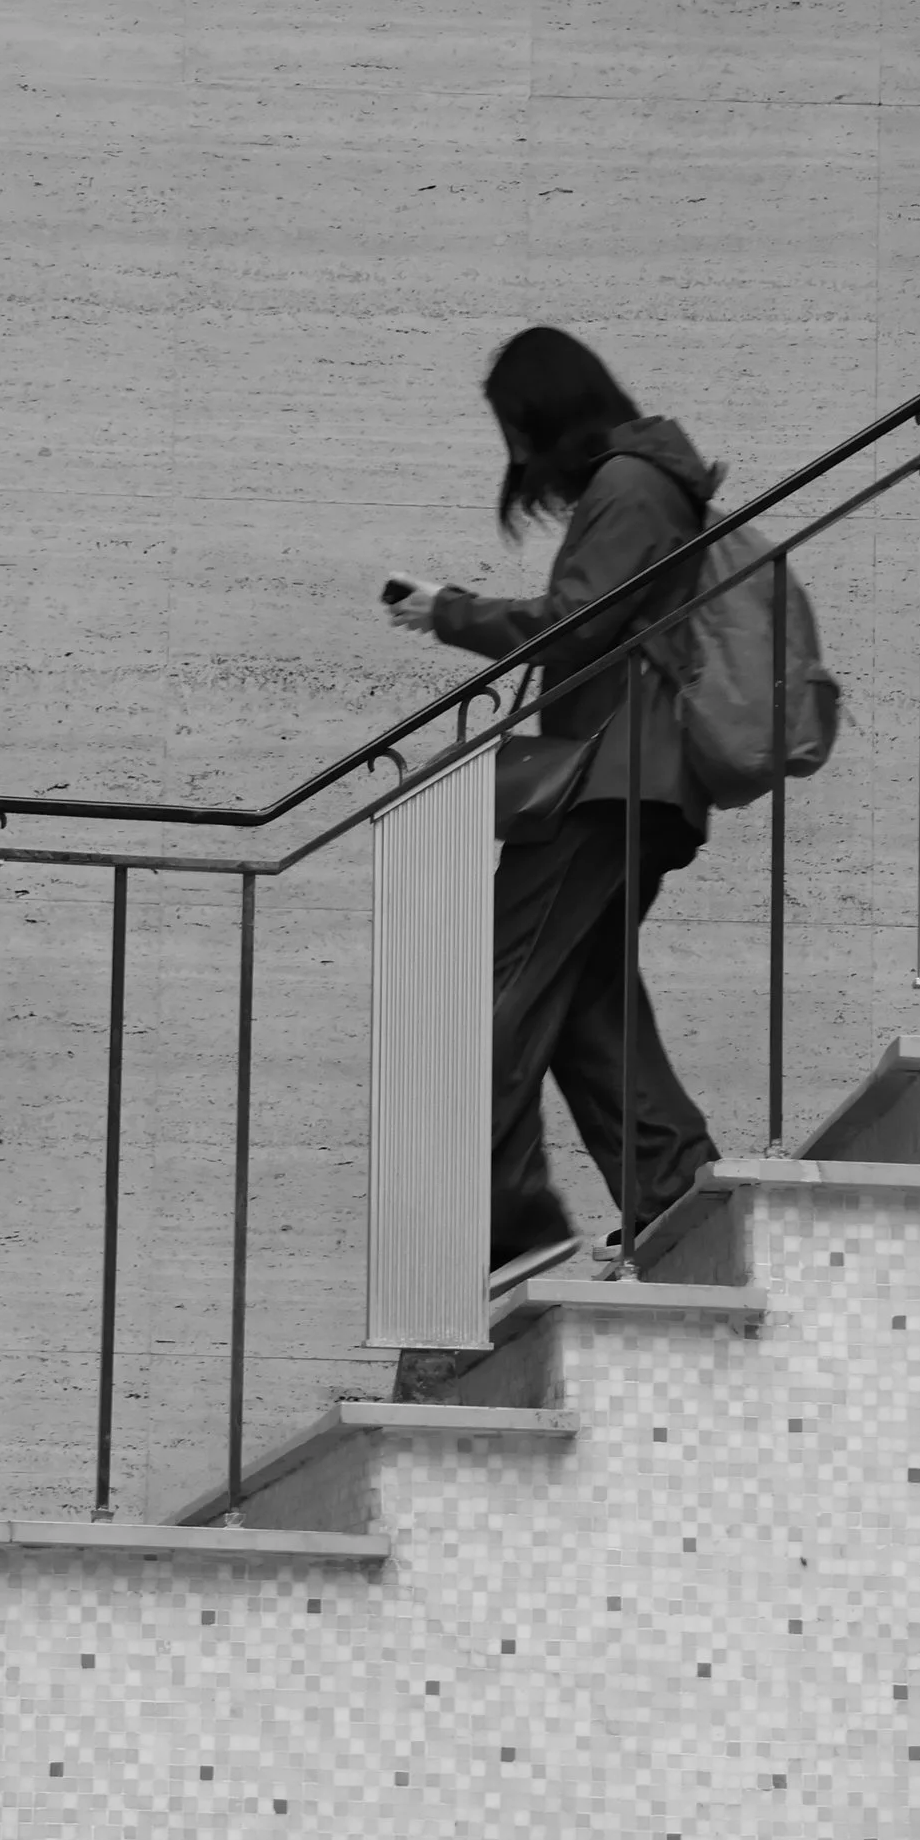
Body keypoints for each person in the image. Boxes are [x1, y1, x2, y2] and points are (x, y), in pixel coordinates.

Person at [387, 326, 719, 1284]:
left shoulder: (631, 485)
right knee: (585, 1010)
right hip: (624, 778)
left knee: (486, 985)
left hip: (608, 780)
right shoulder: (648, 481)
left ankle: (510, 1223)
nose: (518, 459)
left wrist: (448, 611)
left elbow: (573, 628)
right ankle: (678, 1202)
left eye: (517, 432)